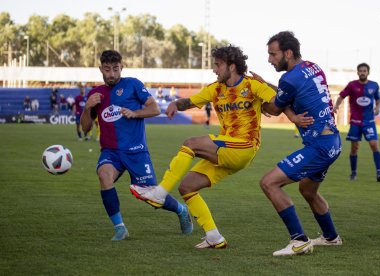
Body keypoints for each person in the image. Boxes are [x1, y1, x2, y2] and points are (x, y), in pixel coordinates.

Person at [130, 45, 313, 249]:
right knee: (187, 187)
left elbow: (279, 101)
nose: (215, 70)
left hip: (244, 146)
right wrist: (175, 104)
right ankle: (214, 236)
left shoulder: (252, 85)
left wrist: (291, 115)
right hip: (226, 149)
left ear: (232, 66)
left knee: (190, 143)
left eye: (218, 65)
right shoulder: (215, 89)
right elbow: (189, 102)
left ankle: (160, 193)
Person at [80, 50, 192, 241]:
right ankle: (120, 228)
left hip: (136, 151)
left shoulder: (132, 84)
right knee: (104, 175)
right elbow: (85, 128)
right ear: (101, 69)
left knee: (150, 196)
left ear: (121, 67)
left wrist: (135, 113)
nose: (112, 74)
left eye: (116, 69)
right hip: (111, 152)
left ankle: (181, 210)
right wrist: (88, 107)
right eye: (107, 69)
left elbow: (155, 108)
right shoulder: (95, 94)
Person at [258, 31, 342, 256]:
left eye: (273, 54)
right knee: (307, 190)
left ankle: (299, 240)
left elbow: (274, 108)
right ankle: (331, 237)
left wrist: (256, 98)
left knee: (269, 183)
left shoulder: (289, 79)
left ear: (288, 52)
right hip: (332, 140)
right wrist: (265, 85)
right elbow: (288, 96)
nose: (269, 59)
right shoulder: (312, 67)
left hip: (319, 146)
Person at [333, 63, 380, 182]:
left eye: (364, 71)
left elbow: (378, 100)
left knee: (374, 145)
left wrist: (377, 108)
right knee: (354, 148)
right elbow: (341, 96)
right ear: (357, 72)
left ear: (368, 72)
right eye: (360, 71)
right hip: (355, 122)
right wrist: (336, 106)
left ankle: (379, 173)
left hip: (369, 122)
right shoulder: (352, 85)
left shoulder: (374, 85)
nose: (362, 73)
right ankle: (353, 173)